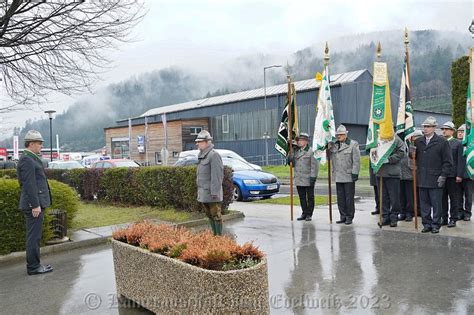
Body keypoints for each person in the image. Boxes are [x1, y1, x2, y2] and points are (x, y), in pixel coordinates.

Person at [17, 130, 53, 275]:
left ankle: (35, 265)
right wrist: (35, 205)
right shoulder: (27, 159)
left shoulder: (31, 158)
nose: (41, 146)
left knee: (35, 236)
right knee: (34, 237)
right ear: (31, 144)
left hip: (36, 203)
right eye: (39, 143)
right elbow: (29, 185)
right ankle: (33, 267)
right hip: (34, 205)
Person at [411, 117, 453, 234]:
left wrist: (443, 175)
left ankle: (436, 224)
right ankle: (426, 224)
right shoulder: (418, 141)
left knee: (436, 204)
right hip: (422, 177)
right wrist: (411, 152)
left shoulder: (442, 142)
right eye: (424, 126)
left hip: (436, 177)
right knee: (424, 204)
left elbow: (448, 161)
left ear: (434, 128)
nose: (426, 129)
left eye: (428, 127)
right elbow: (414, 158)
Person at [330, 125, 360, 225]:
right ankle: (342, 216)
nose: (339, 137)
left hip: (348, 175)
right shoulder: (334, 145)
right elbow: (329, 156)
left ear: (346, 134)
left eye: (341, 135)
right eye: (338, 135)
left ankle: (349, 217)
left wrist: (355, 173)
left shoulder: (353, 144)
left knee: (349, 198)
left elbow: (356, 160)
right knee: (340, 198)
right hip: (338, 175)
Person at [195, 130, 224, 235]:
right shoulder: (202, 155)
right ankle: (214, 236)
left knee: (216, 216)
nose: (197, 144)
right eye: (197, 141)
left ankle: (218, 238)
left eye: (200, 141)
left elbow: (217, 176)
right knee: (210, 216)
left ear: (207, 142)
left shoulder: (214, 155)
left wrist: (215, 193)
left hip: (212, 194)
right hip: (204, 193)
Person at [377, 134, 405, 227]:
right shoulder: (377, 137)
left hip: (392, 172)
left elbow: (402, 152)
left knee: (394, 198)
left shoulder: (396, 139)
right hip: (380, 172)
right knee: (383, 197)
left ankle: (394, 218)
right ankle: (385, 217)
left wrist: (389, 159)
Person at [440, 121, 463, 227]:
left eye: (446, 129)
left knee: (454, 198)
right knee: (442, 198)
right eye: (443, 129)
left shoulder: (457, 143)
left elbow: (460, 160)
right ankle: (443, 218)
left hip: (453, 176)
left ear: (452, 131)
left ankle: (453, 218)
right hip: (442, 175)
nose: (444, 131)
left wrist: (459, 175)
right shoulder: (440, 142)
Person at [293, 133, 320, 221]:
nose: (299, 142)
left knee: (310, 197)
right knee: (302, 197)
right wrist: (291, 152)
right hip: (299, 178)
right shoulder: (296, 151)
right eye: (299, 140)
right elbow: (292, 163)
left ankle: (309, 214)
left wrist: (313, 177)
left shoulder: (311, 151)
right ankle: (304, 213)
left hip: (308, 178)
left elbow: (314, 166)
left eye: (301, 140)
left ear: (306, 141)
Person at [399, 130, 423, 222]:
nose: (414, 138)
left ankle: (410, 213)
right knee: (401, 195)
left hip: (411, 174)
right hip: (400, 174)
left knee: (410, 197)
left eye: (417, 137)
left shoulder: (415, 146)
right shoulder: (403, 144)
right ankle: (403, 212)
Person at [457, 124, 472, 221]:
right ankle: (459, 212)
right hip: (457, 174)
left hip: (468, 174)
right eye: (458, 131)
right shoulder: (455, 143)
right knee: (458, 195)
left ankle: (467, 213)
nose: (460, 133)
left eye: (462, 132)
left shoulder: (470, 145)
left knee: (468, 195)